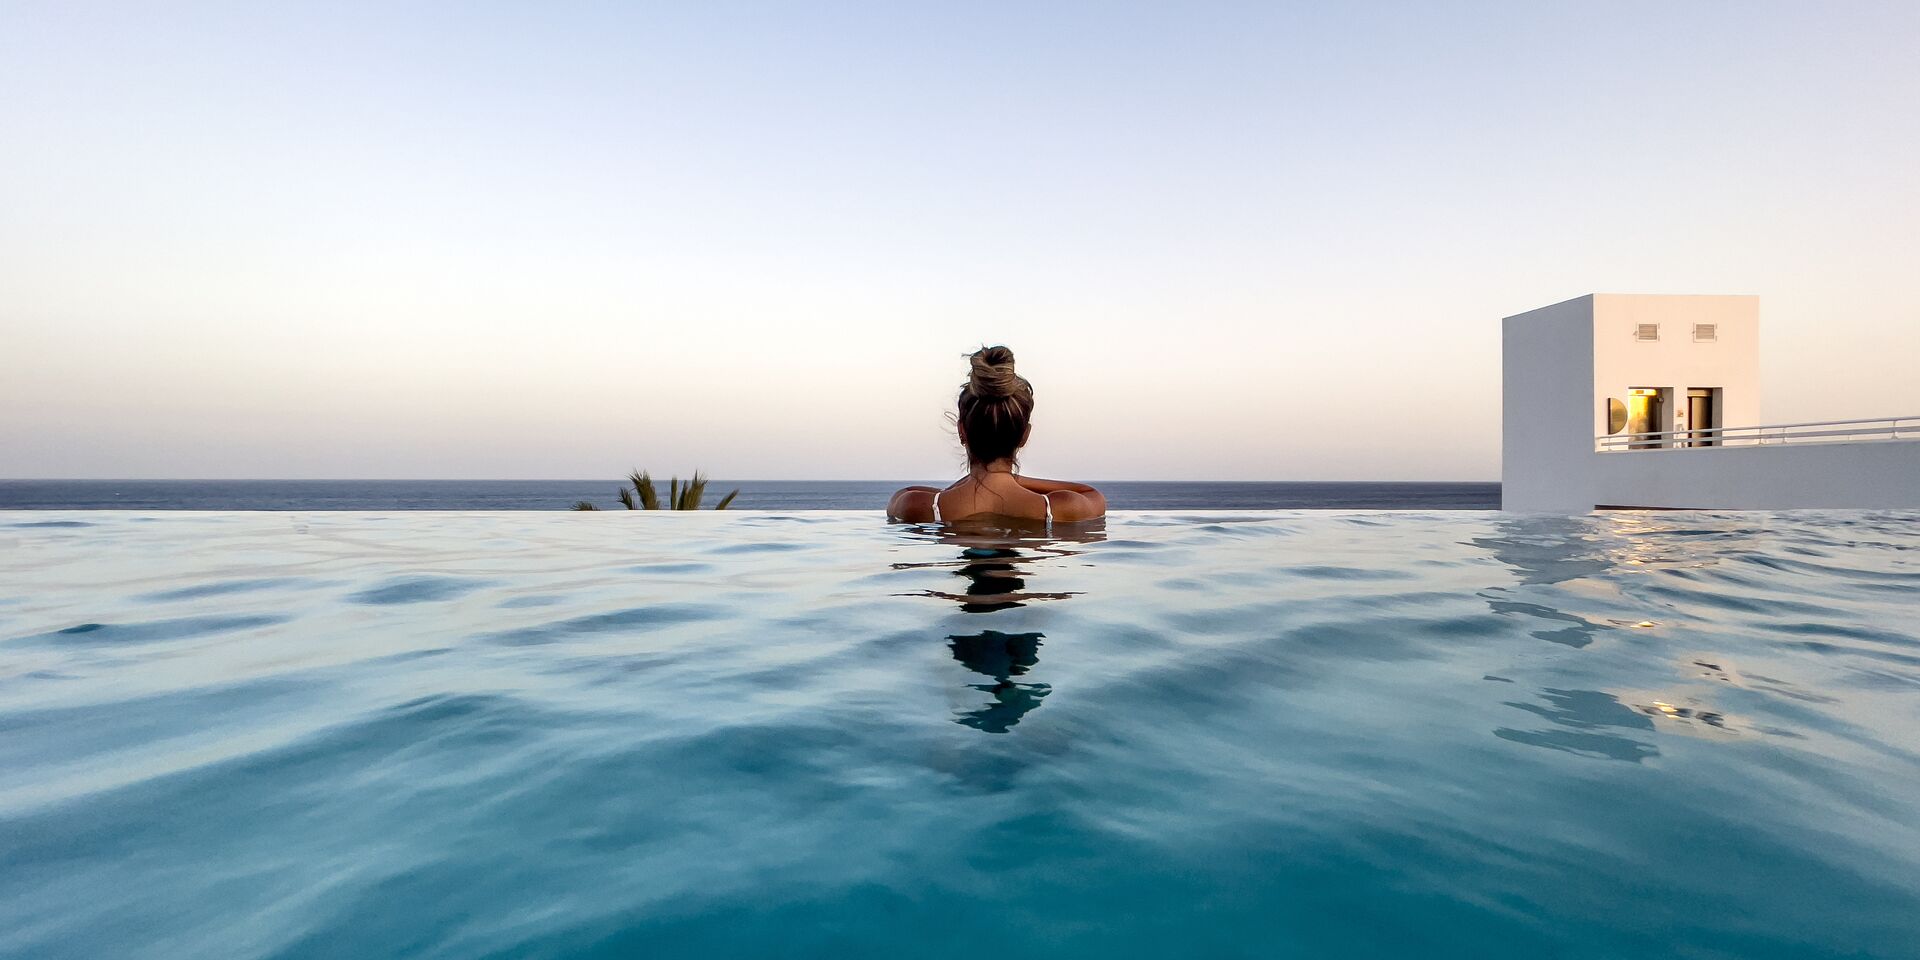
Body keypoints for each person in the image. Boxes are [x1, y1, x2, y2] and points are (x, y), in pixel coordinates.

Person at [887, 346, 1106, 524]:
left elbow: (902, 494)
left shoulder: (918, 507)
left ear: (961, 430)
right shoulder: (1060, 508)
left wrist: (972, 482)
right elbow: (1091, 493)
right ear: (1024, 436)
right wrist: (1012, 480)